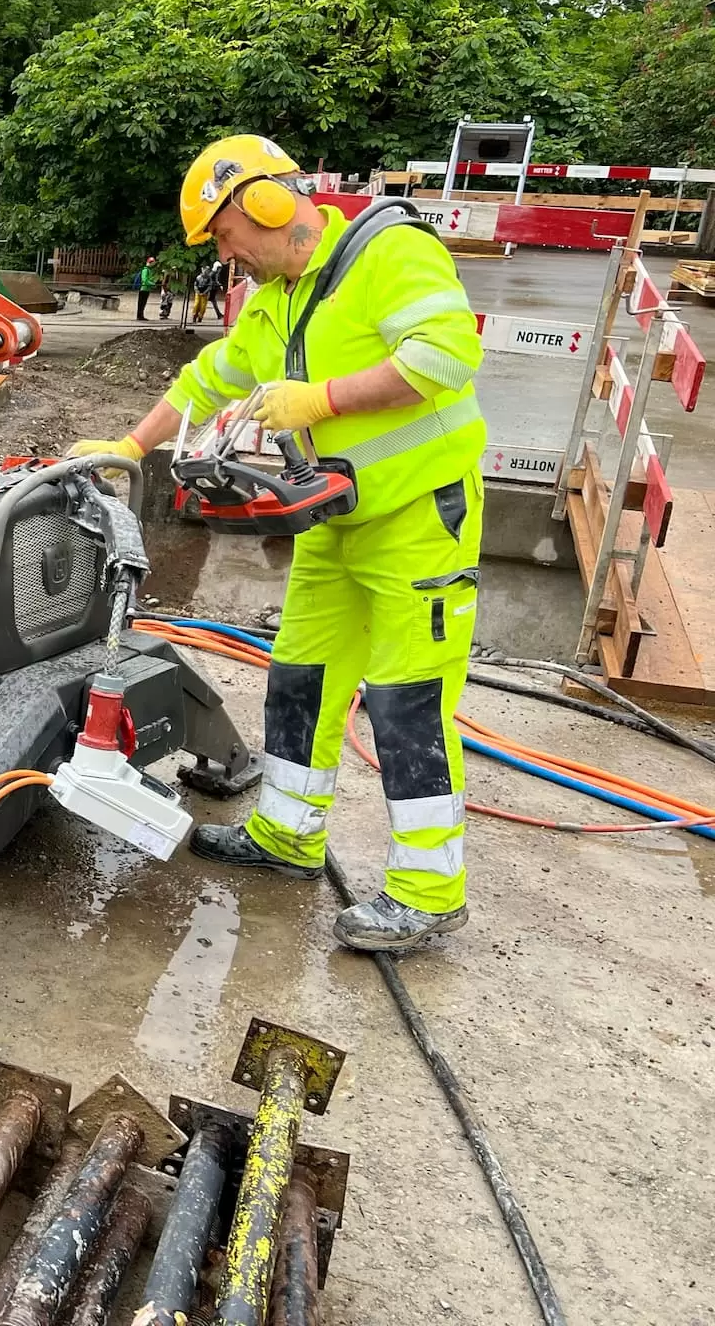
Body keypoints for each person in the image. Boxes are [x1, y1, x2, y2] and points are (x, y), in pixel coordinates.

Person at [70, 134, 486, 952]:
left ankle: (428, 894)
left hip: (419, 519)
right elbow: (205, 381)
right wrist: (129, 445)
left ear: (263, 201)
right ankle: (288, 836)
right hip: (336, 519)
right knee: (300, 679)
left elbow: (446, 357)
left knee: (406, 702)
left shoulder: (388, 253)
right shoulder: (273, 302)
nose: (226, 257)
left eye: (225, 236)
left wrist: (320, 399)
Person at [135, 256, 158, 320]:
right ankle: (139, 316)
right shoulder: (145, 270)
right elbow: (144, 279)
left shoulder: (149, 270)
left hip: (147, 288)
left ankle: (141, 315)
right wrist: (152, 284)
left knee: (143, 303)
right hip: (143, 288)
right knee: (141, 303)